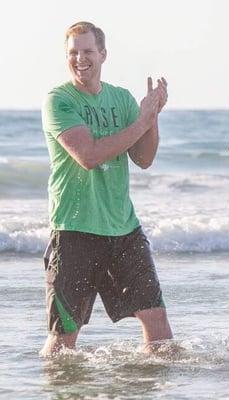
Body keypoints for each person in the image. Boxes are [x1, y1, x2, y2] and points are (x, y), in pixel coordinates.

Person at [40, 21, 172, 356]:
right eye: (73, 52)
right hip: (74, 229)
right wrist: (141, 121)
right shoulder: (59, 100)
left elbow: (143, 158)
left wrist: (151, 117)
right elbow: (88, 155)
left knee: (159, 328)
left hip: (123, 227)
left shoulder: (121, 99)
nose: (80, 58)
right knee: (63, 343)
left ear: (103, 54)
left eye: (87, 51)